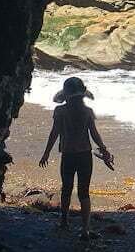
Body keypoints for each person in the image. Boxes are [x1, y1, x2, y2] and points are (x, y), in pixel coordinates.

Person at [39, 76, 114, 238]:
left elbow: (54, 133)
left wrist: (46, 153)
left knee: (66, 189)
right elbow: (94, 134)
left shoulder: (60, 111)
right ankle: (85, 229)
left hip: (68, 156)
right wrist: (104, 150)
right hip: (85, 156)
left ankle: (64, 220)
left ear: (65, 95)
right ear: (82, 95)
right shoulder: (87, 112)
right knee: (84, 193)